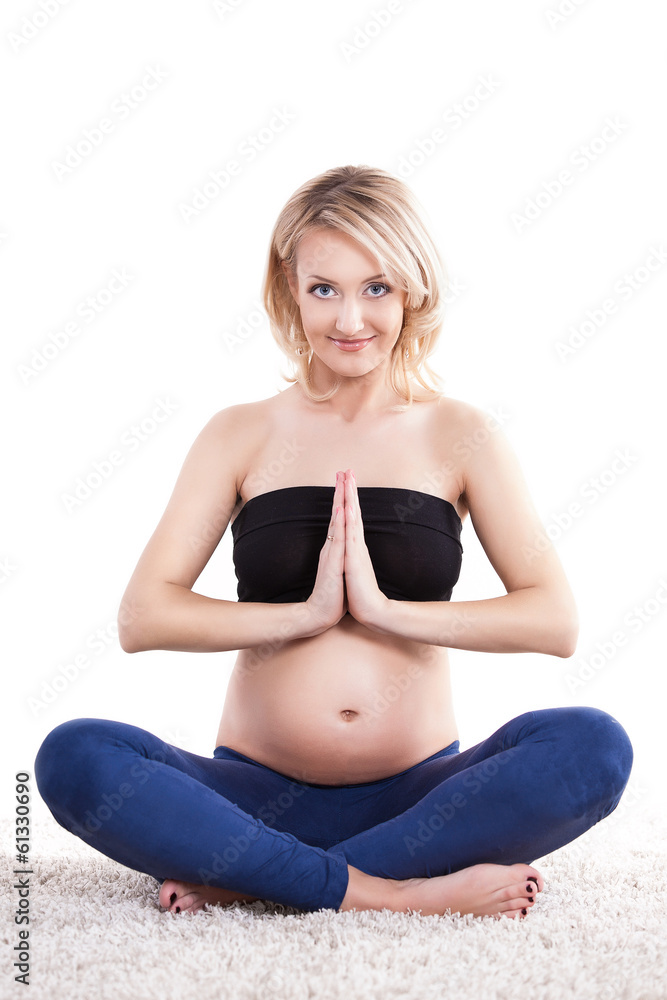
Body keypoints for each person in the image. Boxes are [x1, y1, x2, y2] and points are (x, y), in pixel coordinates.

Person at [35, 165, 633, 921]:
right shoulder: (240, 433)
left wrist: (386, 611)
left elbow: (553, 620)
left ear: (412, 289)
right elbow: (143, 617)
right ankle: (390, 892)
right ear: (291, 288)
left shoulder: (461, 433)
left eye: (376, 287)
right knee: (75, 754)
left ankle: (258, 878)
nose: (351, 319)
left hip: (422, 802)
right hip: (250, 797)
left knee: (593, 745)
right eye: (325, 289)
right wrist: (303, 614)